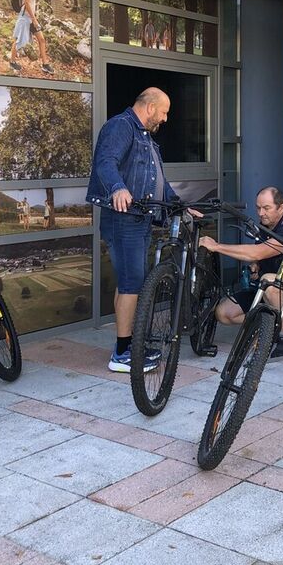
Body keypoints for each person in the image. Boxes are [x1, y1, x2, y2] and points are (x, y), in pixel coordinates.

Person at [86, 88, 178, 373]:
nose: (165, 119)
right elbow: (105, 162)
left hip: (139, 219)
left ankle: (126, 345)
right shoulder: (121, 126)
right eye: (163, 112)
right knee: (132, 284)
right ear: (150, 107)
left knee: (129, 282)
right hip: (123, 219)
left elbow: (159, 180)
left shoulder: (145, 137)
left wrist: (179, 205)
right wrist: (118, 187)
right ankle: (122, 354)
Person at [199, 186, 283, 358]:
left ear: (281, 208)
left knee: (271, 281)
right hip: (267, 290)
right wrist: (255, 265)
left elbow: (258, 252)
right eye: (258, 208)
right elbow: (259, 255)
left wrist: (216, 246)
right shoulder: (264, 227)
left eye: (266, 208)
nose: (261, 213)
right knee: (223, 313)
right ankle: (271, 325)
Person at [10, 0, 48, 71]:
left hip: (30, 17)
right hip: (25, 17)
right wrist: (34, 19)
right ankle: (12, 62)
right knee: (18, 40)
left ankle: (45, 64)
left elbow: (29, 2)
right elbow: (26, 3)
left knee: (41, 39)